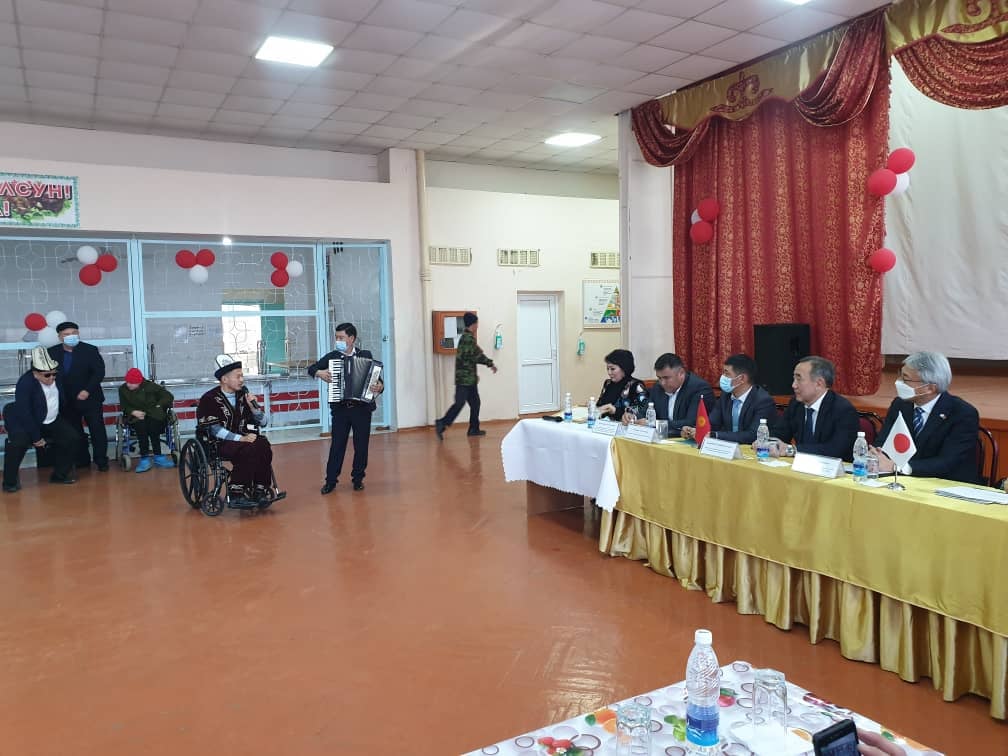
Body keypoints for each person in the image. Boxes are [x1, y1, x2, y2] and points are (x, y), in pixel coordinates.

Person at [872, 351, 980, 483]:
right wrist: (877, 455)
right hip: (902, 480)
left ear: (929, 388)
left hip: (946, 484)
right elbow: (883, 441)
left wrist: (898, 467)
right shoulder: (900, 404)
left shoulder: (962, 414)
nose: (899, 382)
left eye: (906, 379)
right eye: (901, 375)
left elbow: (946, 462)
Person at [308, 323, 384, 494]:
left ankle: (358, 479)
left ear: (351, 338)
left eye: (341, 337)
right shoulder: (332, 357)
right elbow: (312, 368)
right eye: (336, 337)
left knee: (361, 446)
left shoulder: (365, 355)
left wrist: (380, 386)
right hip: (341, 409)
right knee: (337, 445)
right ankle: (330, 481)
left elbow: (377, 380)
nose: (338, 340)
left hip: (361, 409)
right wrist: (320, 373)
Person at [196, 355, 273, 505]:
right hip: (219, 443)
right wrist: (241, 439)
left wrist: (254, 409)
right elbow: (215, 430)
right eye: (238, 377)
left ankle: (259, 489)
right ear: (224, 379)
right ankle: (236, 493)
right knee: (248, 449)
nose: (242, 380)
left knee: (263, 445)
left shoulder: (243, 396)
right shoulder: (209, 399)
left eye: (242, 376)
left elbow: (264, 423)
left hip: (244, 439)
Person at [3, 346, 79, 491]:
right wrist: (36, 437)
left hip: (51, 419)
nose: (52, 378)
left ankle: (59, 475)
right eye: (47, 375)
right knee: (17, 444)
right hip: (26, 422)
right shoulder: (25, 383)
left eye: (54, 374)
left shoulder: (57, 378)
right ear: (35, 373)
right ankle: (9, 482)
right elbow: (25, 413)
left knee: (72, 438)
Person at [769, 355, 860, 461]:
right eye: (794, 379)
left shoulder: (843, 410)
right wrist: (769, 442)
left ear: (819, 383)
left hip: (833, 468)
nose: (794, 385)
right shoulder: (796, 404)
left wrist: (792, 450)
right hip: (802, 465)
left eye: (799, 379)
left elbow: (835, 450)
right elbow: (779, 433)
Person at [47, 321, 108, 471]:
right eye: (67, 334)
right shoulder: (51, 352)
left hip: (90, 398)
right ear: (60, 337)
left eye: (74, 333)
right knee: (75, 432)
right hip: (66, 401)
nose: (71, 336)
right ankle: (82, 459)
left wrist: (87, 390)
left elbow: (99, 372)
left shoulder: (90, 350)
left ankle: (101, 460)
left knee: (97, 430)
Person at [682, 353, 775, 444]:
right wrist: (695, 430)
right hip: (727, 448)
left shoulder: (763, 401)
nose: (722, 377)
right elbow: (712, 423)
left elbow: (753, 435)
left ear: (742, 378)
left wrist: (716, 435)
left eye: (727, 373)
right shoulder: (725, 396)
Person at [435, 312, 497, 440]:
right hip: (464, 380)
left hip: (469, 379)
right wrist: (490, 364)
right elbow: (476, 356)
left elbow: (472, 356)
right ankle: (442, 423)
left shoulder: (466, 337)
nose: (478, 326)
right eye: (477, 324)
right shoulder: (468, 339)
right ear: (473, 324)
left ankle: (474, 429)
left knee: (475, 403)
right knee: (460, 403)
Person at [636, 353, 712, 435]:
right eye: (659, 378)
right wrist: (633, 417)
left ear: (681, 373)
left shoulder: (699, 388)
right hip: (662, 437)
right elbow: (644, 413)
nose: (662, 383)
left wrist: (655, 424)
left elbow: (691, 422)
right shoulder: (658, 387)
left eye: (666, 378)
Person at [118, 367, 176, 473]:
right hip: (136, 416)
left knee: (153, 427)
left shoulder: (151, 386)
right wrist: (133, 412)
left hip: (153, 413)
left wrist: (159, 405)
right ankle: (144, 458)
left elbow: (168, 396)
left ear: (139, 382)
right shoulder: (123, 390)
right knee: (141, 427)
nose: (128, 385)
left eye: (132, 383)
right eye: (127, 382)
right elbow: (124, 406)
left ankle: (158, 456)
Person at [596, 348, 649, 421]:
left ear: (624, 368)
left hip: (625, 425)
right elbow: (599, 405)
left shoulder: (636, 385)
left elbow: (642, 411)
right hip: (605, 424)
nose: (609, 372)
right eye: (607, 369)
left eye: (612, 369)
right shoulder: (607, 383)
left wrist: (615, 410)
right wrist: (593, 407)